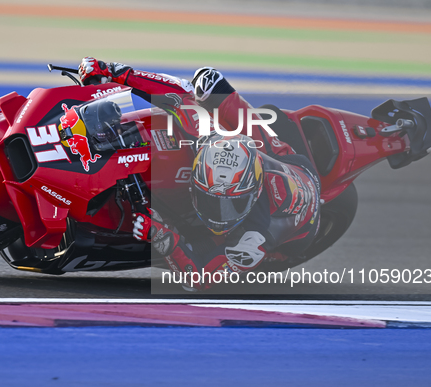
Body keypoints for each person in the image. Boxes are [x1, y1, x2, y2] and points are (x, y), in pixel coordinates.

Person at [78, 57, 321, 291]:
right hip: (271, 162)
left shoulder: (254, 239)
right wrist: (114, 72)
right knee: (207, 83)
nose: (217, 213)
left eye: (231, 204)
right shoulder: (208, 138)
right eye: (209, 199)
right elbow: (179, 94)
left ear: (254, 193)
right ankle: (224, 92)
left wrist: (164, 240)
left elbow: (198, 281)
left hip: (300, 207)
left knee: (205, 244)